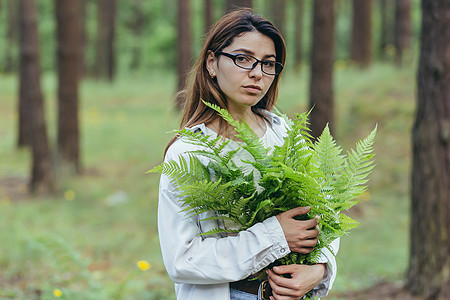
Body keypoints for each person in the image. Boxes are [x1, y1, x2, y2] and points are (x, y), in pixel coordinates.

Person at [157, 9, 339, 300]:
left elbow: (325, 215)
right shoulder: (189, 152)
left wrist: (319, 268)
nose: (257, 73)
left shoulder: (285, 134)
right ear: (212, 63)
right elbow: (182, 260)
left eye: (268, 64)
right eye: (243, 59)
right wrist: (276, 235)